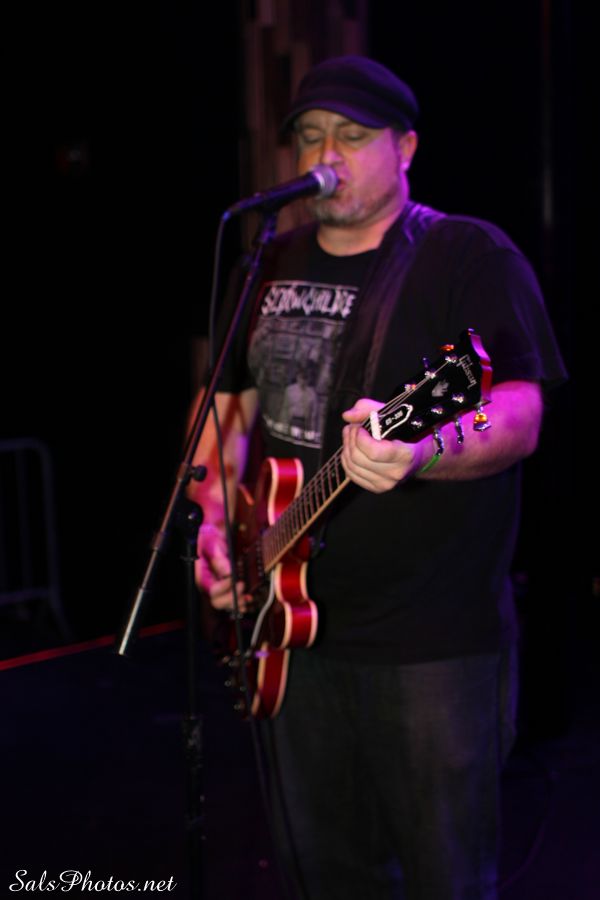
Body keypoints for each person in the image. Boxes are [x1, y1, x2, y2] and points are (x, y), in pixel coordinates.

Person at [191, 56, 566, 900]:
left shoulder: (465, 254)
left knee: (445, 879)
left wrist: (425, 449)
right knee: (323, 875)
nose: (326, 154)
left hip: (431, 643)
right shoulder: (267, 261)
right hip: (288, 634)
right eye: (311, 137)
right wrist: (213, 516)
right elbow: (225, 404)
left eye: (352, 136)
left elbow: (519, 411)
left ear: (406, 148)